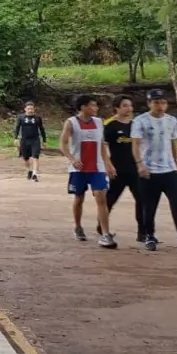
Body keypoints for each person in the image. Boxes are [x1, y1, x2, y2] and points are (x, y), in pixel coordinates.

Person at [133, 89, 177, 254]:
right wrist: (140, 165)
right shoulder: (140, 121)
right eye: (156, 102)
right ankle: (149, 236)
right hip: (149, 171)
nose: (160, 105)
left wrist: (176, 167)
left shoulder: (171, 120)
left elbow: (172, 144)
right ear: (149, 103)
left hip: (169, 171)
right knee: (149, 207)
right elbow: (135, 145)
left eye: (163, 102)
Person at [58, 95, 118, 248]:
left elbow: (102, 145)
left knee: (101, 198)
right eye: (92, 105)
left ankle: (105, 233)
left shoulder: (99, 122)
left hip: (97, 167)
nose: (96, 108)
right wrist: (72, 159)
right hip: (79, 168)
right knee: (79, 199)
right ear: (83, 107)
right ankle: (78, 227)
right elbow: (63, 144)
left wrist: (108, 163)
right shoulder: (71, 123)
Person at [102, 95, 146, 242]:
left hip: (135, 169)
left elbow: (141, 145)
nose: (129, 108)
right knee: (110, 199)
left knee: (141, 199)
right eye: (125, 105)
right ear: (117, 107)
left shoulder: (135, 124)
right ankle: (101, 225)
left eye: (130, 105)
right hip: (117, 169)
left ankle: (142, 232)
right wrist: (108, 165)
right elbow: (103, 147)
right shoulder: (109, 125)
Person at [14, 101, 46, 182]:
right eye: (28, 109)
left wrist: (44, 140)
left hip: (35, 139)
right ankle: (29, 171)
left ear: (34, 109)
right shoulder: (21, 117)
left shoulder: (37, 118)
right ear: (25, 109)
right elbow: (17, 128)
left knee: (35, 156)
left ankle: (35, 174)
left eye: (32, 109)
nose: (30, 110)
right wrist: (16, 138)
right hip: (24, 140)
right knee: (25, 158)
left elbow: (42, 129)